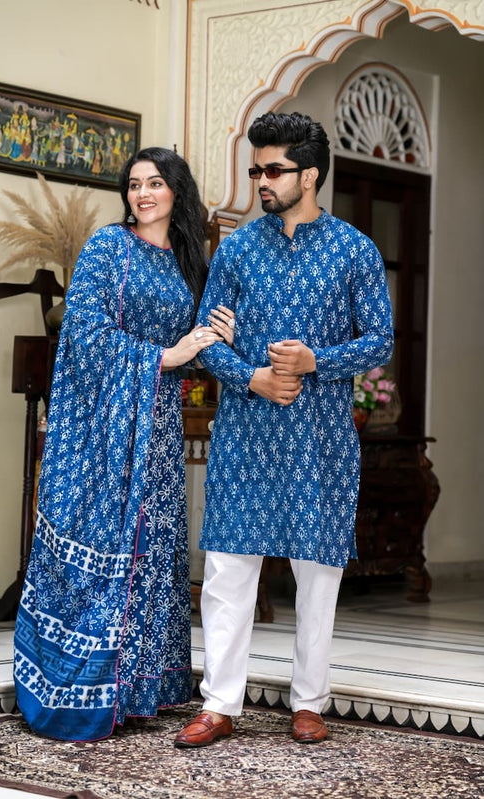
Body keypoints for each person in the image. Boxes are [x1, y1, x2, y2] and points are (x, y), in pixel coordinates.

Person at [174, 112, 393, 748]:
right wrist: (255, 378)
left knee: (316, 573)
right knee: (228, 569)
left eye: (273, 170)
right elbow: (208, 337)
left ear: (311, 174)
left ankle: (309, 701)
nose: (260, 182)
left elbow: (378, 338)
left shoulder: (354, 250)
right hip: (246, 432)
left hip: (319, 438)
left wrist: (315, 361)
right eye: (255, 170)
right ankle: (219, 703)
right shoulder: (238, 247)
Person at [13, 147, 234, 742]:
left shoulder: (192, 263)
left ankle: (144, 688)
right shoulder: (109, 249)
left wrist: (218, 335)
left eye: (155, 183)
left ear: (175, 192)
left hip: (157, 424)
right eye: (134, 184)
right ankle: (79, 687)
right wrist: (165, 357)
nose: (142, 194)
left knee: (153, 545)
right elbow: (84, 336)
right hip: (102, 428)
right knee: (105, 533)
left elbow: (204, 335)